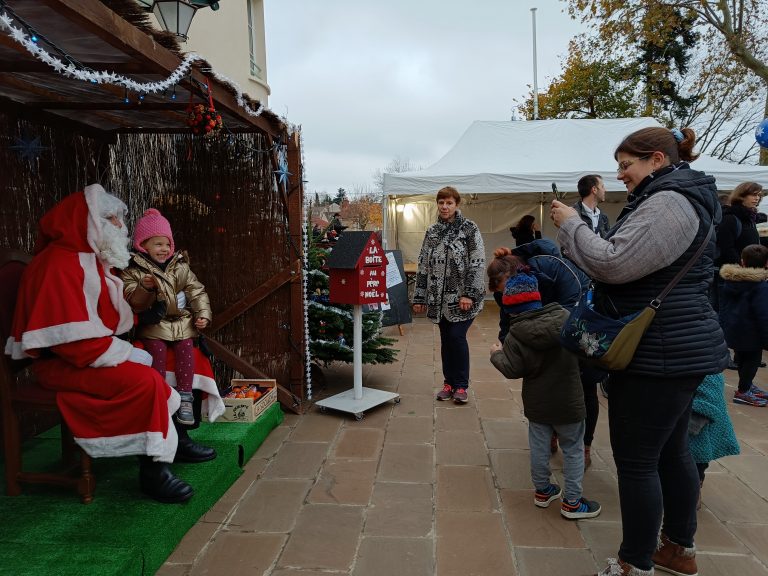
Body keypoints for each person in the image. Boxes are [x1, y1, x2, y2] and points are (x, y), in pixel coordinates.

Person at [550, 126, 728, 576]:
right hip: (674, 348)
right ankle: (677, 549)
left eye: (626, 165)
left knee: (636, 462)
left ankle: (635, 564)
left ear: (657, 160)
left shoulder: (669, 201)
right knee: (671, 452)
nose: (620, 174)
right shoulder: (679, 196)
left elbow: (613, 262)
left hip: (658, 352)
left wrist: (571, 225)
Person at [4, 185, 205, 504]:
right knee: (145, 381)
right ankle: (154, 471)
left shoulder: (88, 261)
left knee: (152, 368)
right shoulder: (58, 266)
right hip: (63, 364)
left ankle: (170, 445)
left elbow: (105, 322)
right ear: (85, 222)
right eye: (109, 218)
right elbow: (72, 344)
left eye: (118, 218)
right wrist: (128, 355)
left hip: (86, 355)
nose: (120, 226)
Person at [489, 269, 601, 520]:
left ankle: (542, 491)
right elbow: (586, 352)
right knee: (572, 449)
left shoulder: (515, 335)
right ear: (537, 298)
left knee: (538, 447)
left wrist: (496, 353)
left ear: (510, 309)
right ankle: (572, 502)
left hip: (538, 404)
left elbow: (512, 369)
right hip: (569, 401)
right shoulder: (566, 318)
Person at [488, 239, 603, 468]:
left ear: (514, 274)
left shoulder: (553, 267)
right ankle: (551, 431)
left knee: (585, 386)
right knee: (547, 383)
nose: (505, 294)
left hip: (579, 329)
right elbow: (508, 320)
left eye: (504, 287)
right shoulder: (507, 289)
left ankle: (584, 444)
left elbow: (573, 312)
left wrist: (538, 336)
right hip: (548, 330)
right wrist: (508, 346)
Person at [122, 208, 214, 427]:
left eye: (166, 244)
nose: (163, 249)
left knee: (186, 349)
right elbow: (132, 300)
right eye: (157, 244)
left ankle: (185, 397)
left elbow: (197, 291)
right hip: (153, 324)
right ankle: (160, 395)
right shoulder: (134, 270)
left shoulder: (180, 267)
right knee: (157, 352)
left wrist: (203, 314)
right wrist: (145, 288)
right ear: (142, 245)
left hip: (181, 323)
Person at [412, 186, 485, 404]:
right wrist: (419, 297)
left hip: (464, 299)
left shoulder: (469, 229)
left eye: (449, 203)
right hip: (438, 299)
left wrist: (469, 294)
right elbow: (423, 264)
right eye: (441, 202)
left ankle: (461, 386)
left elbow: (478, 262)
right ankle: (448, 383)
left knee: (456, 337)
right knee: (446, 340)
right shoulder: (432, 231)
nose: (445, 207)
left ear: (457, 205)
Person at [718, 243, 768, 407]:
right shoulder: (760, 286)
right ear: (766, 264)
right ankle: (743, 391)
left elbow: (723, 306)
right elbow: (763, 314)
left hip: (734, 329)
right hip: (752, 333)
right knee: (752, 362)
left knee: (742, 360)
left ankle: (745, 385)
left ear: (742, 262)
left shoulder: (731, 281)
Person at [688, 372, 740, 509]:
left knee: (696, 461)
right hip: (682, 414)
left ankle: (694, 491)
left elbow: (709, 395)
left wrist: (693, 423)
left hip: (699, 422)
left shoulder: (709, 368)